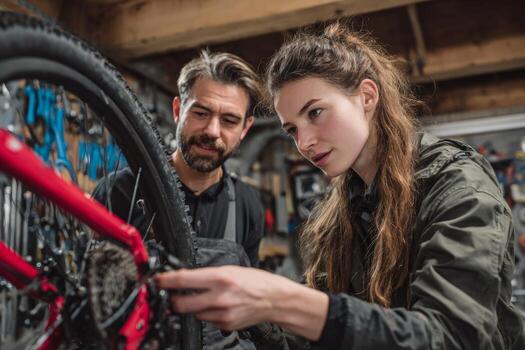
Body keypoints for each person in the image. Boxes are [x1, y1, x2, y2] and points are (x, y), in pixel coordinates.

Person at [155, 23, 525, 350]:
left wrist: (283, 302)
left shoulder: (457, 185)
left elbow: (451, 337)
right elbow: (314, 337)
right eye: (293, 129)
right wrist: (250, 310)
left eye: (315, 113)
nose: (305, 142)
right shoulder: (342, 210)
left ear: (366, 96)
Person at [93, 51, 266, 349]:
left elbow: (248, 309)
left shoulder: (247, 205)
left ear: (245, 128)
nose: (212, 131)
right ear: (177, 109)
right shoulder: (119, 191)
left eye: (229, 120)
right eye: (200, 113)